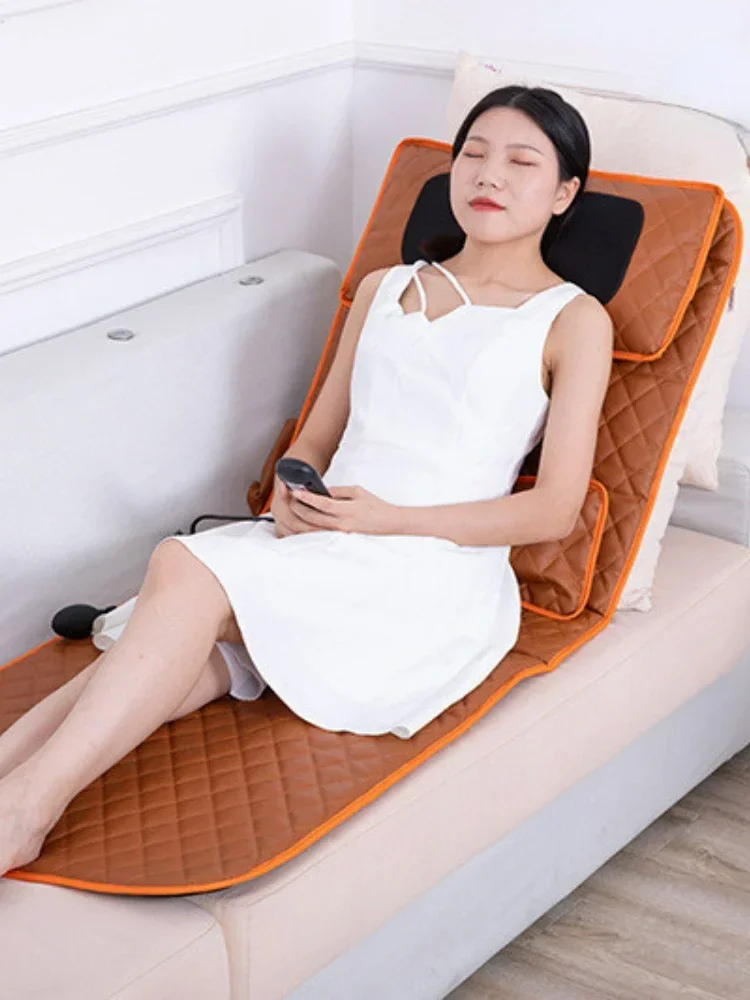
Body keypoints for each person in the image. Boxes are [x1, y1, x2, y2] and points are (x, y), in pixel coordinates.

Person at [0, 85, 613, 876]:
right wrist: (295, 491)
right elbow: (318, 438)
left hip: (426, 573)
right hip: (322, 541)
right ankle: (12, 777)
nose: (489, 175)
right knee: (176, 642)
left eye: (522, 162)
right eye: (474, 153)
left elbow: (554, 510)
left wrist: (386, 520)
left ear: (564, 193)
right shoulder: (387, 289)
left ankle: (27, 809)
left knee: (180, 569)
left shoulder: (572, 319)